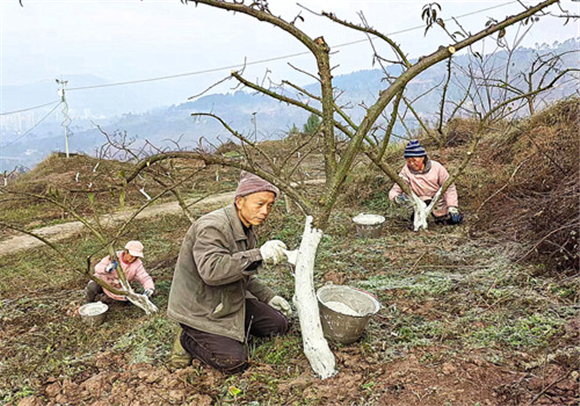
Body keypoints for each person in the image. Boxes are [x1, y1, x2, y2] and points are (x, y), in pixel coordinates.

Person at [167, 170, 292, 373]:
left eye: (270, 205)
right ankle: (187, 339)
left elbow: (241, 272)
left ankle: (228, 332)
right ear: (239, 201)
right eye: (259, 204)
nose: (265, 211)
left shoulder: (246, 227)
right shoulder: (213, 227)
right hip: (202, 307)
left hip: (228, 299)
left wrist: (268, 296)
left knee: (278, 325)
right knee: (233, 362)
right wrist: (258, 254)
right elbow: (212, 271)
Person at [388, 140, 463, 225]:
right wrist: (396, 198)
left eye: (414, 160)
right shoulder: (406, 171)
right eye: (408, 161)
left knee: (452, 220)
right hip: (419, 204)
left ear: (422, 157)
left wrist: (452, 206)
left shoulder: (437, 168)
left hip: (438, 204)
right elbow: (396, 189)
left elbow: (449, 187)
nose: (411, 163)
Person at [85, 240, 155, 303]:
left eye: (136, 257)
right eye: (132, 256)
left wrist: (149, 288)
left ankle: (107, 298)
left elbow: (144, 278)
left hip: (118, 287)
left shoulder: (137, 264)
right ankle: (89, 303)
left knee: (128, 299)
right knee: (92, 287)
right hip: (103, 281)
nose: (133, 258)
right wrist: (106, 269)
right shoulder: (114, 257)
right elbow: (97, 268)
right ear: (126, 251)